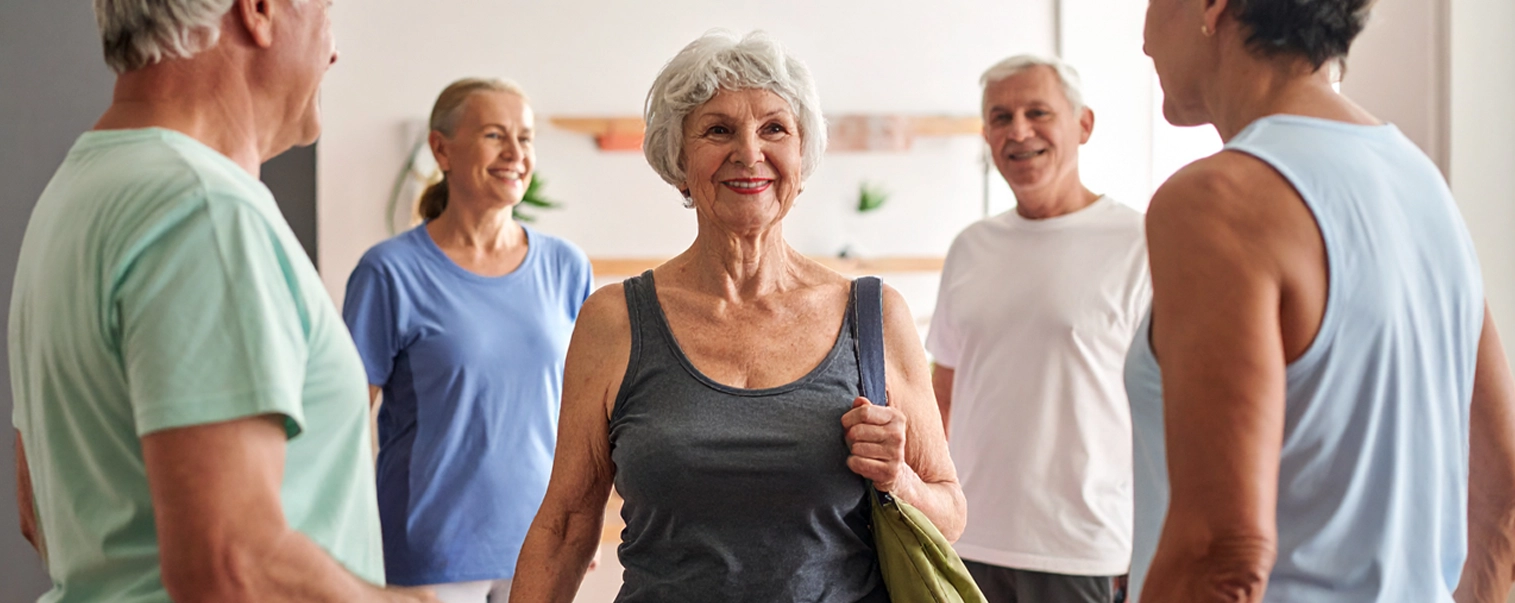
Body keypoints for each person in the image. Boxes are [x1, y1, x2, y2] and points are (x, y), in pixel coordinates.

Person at [509, 30, 966, 602]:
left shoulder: (874, 317)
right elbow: (566, 525)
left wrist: (898, 478)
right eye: (718, 130)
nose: (749, 153)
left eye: (774, 129)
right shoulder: (613, 321)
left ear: (802, 157)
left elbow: (949, 515)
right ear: (679, 161)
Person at [8, 0, 435, 601]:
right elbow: (230, 566)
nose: (334, 50)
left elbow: (40, 514)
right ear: (258, 10)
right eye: (325, 10)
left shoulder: (78, 193)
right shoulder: (202, 211)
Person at [1128, 0, 1515, 600]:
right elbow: (1500, 499)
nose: (1145, 39)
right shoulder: (1419, 182)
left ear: (1213, 7)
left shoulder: (1218, 200)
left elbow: (1222, 552)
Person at [342, 77, 593, 603]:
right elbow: (342, 422)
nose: (516, 154)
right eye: (494, 135)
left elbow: (586, 413)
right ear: (441, 150)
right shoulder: (390, 272)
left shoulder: (565, 267)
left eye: (525, 138)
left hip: (540, 548)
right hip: (429, 557)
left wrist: (579, 521)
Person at [927, 54, 1148, 603]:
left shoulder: (1141, 242)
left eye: (1038, 112)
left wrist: (1153, 541)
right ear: (986, 136)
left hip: (1085, 550)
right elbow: (942, 397)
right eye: (1000, 118)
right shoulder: (970, 248)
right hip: (967, 543)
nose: (1019, 131)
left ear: (1083, 124)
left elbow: (1169, 409)